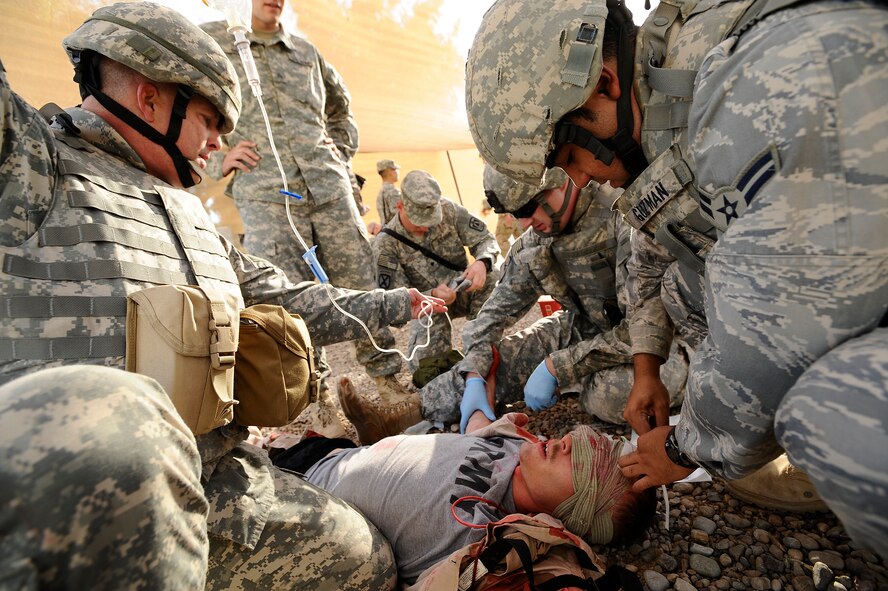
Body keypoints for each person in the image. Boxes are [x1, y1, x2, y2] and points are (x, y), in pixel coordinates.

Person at [0, 3, 446, 588]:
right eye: (209, 121)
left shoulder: (191, 216)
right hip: (83, 516)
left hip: (224, 486)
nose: (217, 144)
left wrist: (397, 304)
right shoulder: (29, 166)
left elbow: (285, 296)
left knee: (371, 562)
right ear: (151, 98)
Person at [464, 0, 888, 557]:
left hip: (820, 295)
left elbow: (767, 334)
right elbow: (650, 256)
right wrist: (646, 370)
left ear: (604, 84)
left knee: (832, 414)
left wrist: (686, 450)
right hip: (826, 284)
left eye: (570, 155)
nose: (579, 176)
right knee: (679, 288)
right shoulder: (668, 111)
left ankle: (808, 453)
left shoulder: (745, 103)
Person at [201, 0, 413, 432]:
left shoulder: (304, 51)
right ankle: (318, 403)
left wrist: (338, 149)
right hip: (266, 195)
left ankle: (390, 382)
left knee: (358, 281)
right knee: (288, 301)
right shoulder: (214, 44)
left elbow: (341, 107)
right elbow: (185, 107)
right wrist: (217, 160)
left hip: (328, 187)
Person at [276, 377, 655, 585]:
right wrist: (479, 377)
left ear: (572, 517)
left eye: (584, 465)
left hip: (301, 492)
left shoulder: (482, 542)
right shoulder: (518, 445)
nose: (564, 443)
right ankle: (359, 430)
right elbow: (475, 425)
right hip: (338, 455)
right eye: (580, 442)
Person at [420, 164, 687, 433]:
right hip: (585, 329)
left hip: (660, 342)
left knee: (610, 395)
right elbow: (490, 320)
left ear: (560, 182)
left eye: (526, 209)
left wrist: (560, 366)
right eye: (515, 213)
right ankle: (413, 405)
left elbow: (646, 325)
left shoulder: (623, 213)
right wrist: (477, 375)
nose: (524, 223)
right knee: (457, 387)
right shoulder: (535, 243)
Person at [375, 170, 501, 375]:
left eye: (430, 220)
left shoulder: (449, 209)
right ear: (400, 206)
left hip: (463, 292)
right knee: (428, 370)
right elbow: (393, 301)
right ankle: (443, 378)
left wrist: (482, 262)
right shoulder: (386, 244)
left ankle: (484, 347)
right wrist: (431, 296)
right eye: (419, 221)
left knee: (492, 275)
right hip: (427, 306)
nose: (425, 227)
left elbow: (485, 238)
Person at [481, 195, 523, 260]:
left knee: (501, 240)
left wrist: (486, 206)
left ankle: (513, 260)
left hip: (508, 215)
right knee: (522, 238)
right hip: (519, 214)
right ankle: (523, 259)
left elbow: (494, 196)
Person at [376, 158, 402, 226]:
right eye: (396, 169)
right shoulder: (393, 192)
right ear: (390, 172)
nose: (398, 172)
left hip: (385, 232)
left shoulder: (381, 191)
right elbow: (400, 214)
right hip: (395, 232)